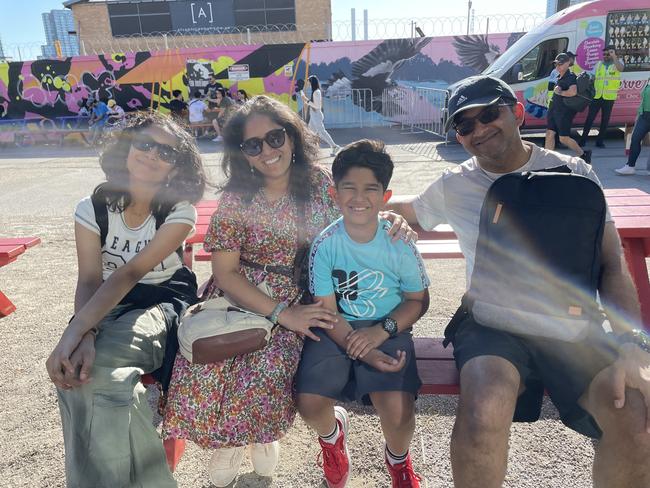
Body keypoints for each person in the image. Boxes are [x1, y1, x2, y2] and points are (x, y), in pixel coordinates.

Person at [387, 75, 650, 488]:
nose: (480, 129)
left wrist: (632, 344)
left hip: (571, 323)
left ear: (517, 112)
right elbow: (410, 209)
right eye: (465, 125)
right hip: (493, 324)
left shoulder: (573, 173)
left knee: (634, 416)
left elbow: (612, 265)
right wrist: (374, 209)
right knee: (481, 414)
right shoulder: (455, 185)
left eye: (489, 114)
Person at [162, 96, 414, 487]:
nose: (267, 150)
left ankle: (267, 438)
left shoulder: (319, 185)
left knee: (268, 366)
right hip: (242, 293)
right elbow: (226, 273)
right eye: (253, 145)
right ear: (241, 153)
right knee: (208, 363)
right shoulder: (237, 199)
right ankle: (230, 444)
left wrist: (391, 218)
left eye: (275, 137)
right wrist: (280, 313)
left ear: (293, 138)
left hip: (305, 294)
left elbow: (360, 211)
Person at [45, 110, 208, 488]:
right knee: (77, 373)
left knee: (98, 373)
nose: (152, 155)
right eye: (145, 144)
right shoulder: (93, 208)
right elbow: (89, 278)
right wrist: (82, 335)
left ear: (174, 168)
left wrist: (74, 331)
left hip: (161, 300)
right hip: (106, 299)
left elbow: (130, 272)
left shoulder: (179, 210)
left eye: (166, 153)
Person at [296, 139, 430, 488]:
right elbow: (327, 310)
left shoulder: (399, 242)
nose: (359, 197)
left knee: (399, 412)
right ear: (334, 193)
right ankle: (331, 437)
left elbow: (417, 300)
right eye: (349, 188)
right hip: (336, 325)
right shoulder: (325, 245)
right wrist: (364, 350)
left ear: (385, 196)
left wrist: (380, 332)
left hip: (389, 326)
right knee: (309, 402)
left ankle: (399, 460)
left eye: (370, 189)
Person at [544, 53, 590, 162]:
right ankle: (546, 159)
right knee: (550, 133)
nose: (558, 66)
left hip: (564, 112)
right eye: (556, 64)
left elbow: (573, 92)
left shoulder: (570, 77)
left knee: (563, 138)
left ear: (568, 63)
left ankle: (583, 154)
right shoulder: (560, 76)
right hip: (554, 109)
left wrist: (560, 92)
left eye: (560, 64)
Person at [579, 45, 624, 148]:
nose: (606, 56)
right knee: (589, 119)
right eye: (604, 54)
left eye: (608, 54)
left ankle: (600, 141)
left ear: (613, 54)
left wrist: (614, 57)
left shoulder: (618, 62)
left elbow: (621, 69)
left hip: (609, 97)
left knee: (605, 120)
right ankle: (583, 140)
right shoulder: (598, 64)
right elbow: (593, 77)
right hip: (597, 96)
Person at [615, 79, 650, 175]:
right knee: (635, 139)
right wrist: (639, 115)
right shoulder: (648, 80)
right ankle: (630, 166)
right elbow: (644, 99)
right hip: (644, 115)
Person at [302, 75, 340, 156]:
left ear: (312, 82)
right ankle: (312, 149)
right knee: (311, 132)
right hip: (314, 115)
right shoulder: (315, 91)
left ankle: (334, 146)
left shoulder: (316, 92)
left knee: (321, 132)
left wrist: (306, 100)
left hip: (316, 115)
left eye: (309, 81)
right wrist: (305, 100)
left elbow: (317, 106)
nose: (308, 83)